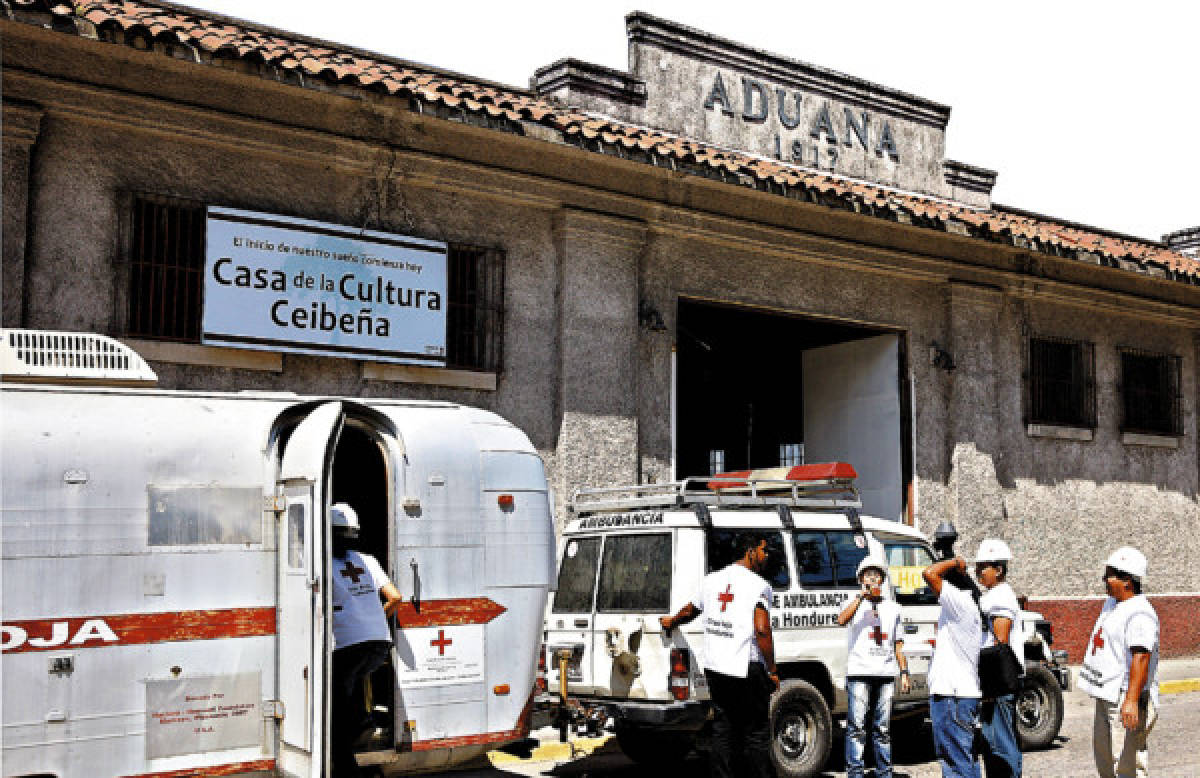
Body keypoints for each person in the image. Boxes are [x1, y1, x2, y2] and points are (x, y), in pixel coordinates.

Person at [660, 532, 779, 778]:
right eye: (763, 550)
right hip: (746, 668)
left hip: (716, 668)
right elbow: (761, 629)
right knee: (756, 733)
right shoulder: (759, 585)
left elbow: (690, 610)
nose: (766, 556)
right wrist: (772, 670)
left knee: (723, 730)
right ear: (750, 551)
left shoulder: (711, 580)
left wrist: (671, 621)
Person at [329, 502, 403, 777]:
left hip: (347, 642)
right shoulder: (368, 559)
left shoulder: (322, 561)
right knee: (355, 684)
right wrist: (373, 618)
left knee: (337, 706)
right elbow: (395, 597)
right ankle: (364, 723)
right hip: (379, 642)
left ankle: (346, 768)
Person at [1078, 546, 1159, 778]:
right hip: (1107, 695)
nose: (1104, 579)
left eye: (1110, 574)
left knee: (1127, 767)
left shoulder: (1140, 613)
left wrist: (1131, 701)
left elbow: (1141, 657)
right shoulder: (1114, 603)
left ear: (1127, 581)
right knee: (1106, 762)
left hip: (1125, 697)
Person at [836, 555, 910, 778]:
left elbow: (898, 644)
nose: (873, 578)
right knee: (856, 726)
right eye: (868, 574)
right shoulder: (854, 602)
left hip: (885, 673)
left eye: (877, 574)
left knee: (883, 728)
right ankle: (855, 773)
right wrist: (861, 597)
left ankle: (884, 772)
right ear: (860, 578)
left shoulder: (893, 608)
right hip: (860, 671)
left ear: (883, 578)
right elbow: (841, 620)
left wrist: (904, 672)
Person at [923, 554, 982, 778]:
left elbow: (929, 574)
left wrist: (956, 563)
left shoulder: (959, 601)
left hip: (952, 696)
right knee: (964, 760)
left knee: (956, 765)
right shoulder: (965, 605)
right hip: (957, 695)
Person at [974, 539, 1023, 778]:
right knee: (991, 741)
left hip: (999, 680)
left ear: (999, 569)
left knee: (1001, 742)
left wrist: (989, 685)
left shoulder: (1001, 597)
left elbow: (999, 642)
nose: (978, 572)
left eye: (983, 567)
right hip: (992, 680)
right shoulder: (992, 595)